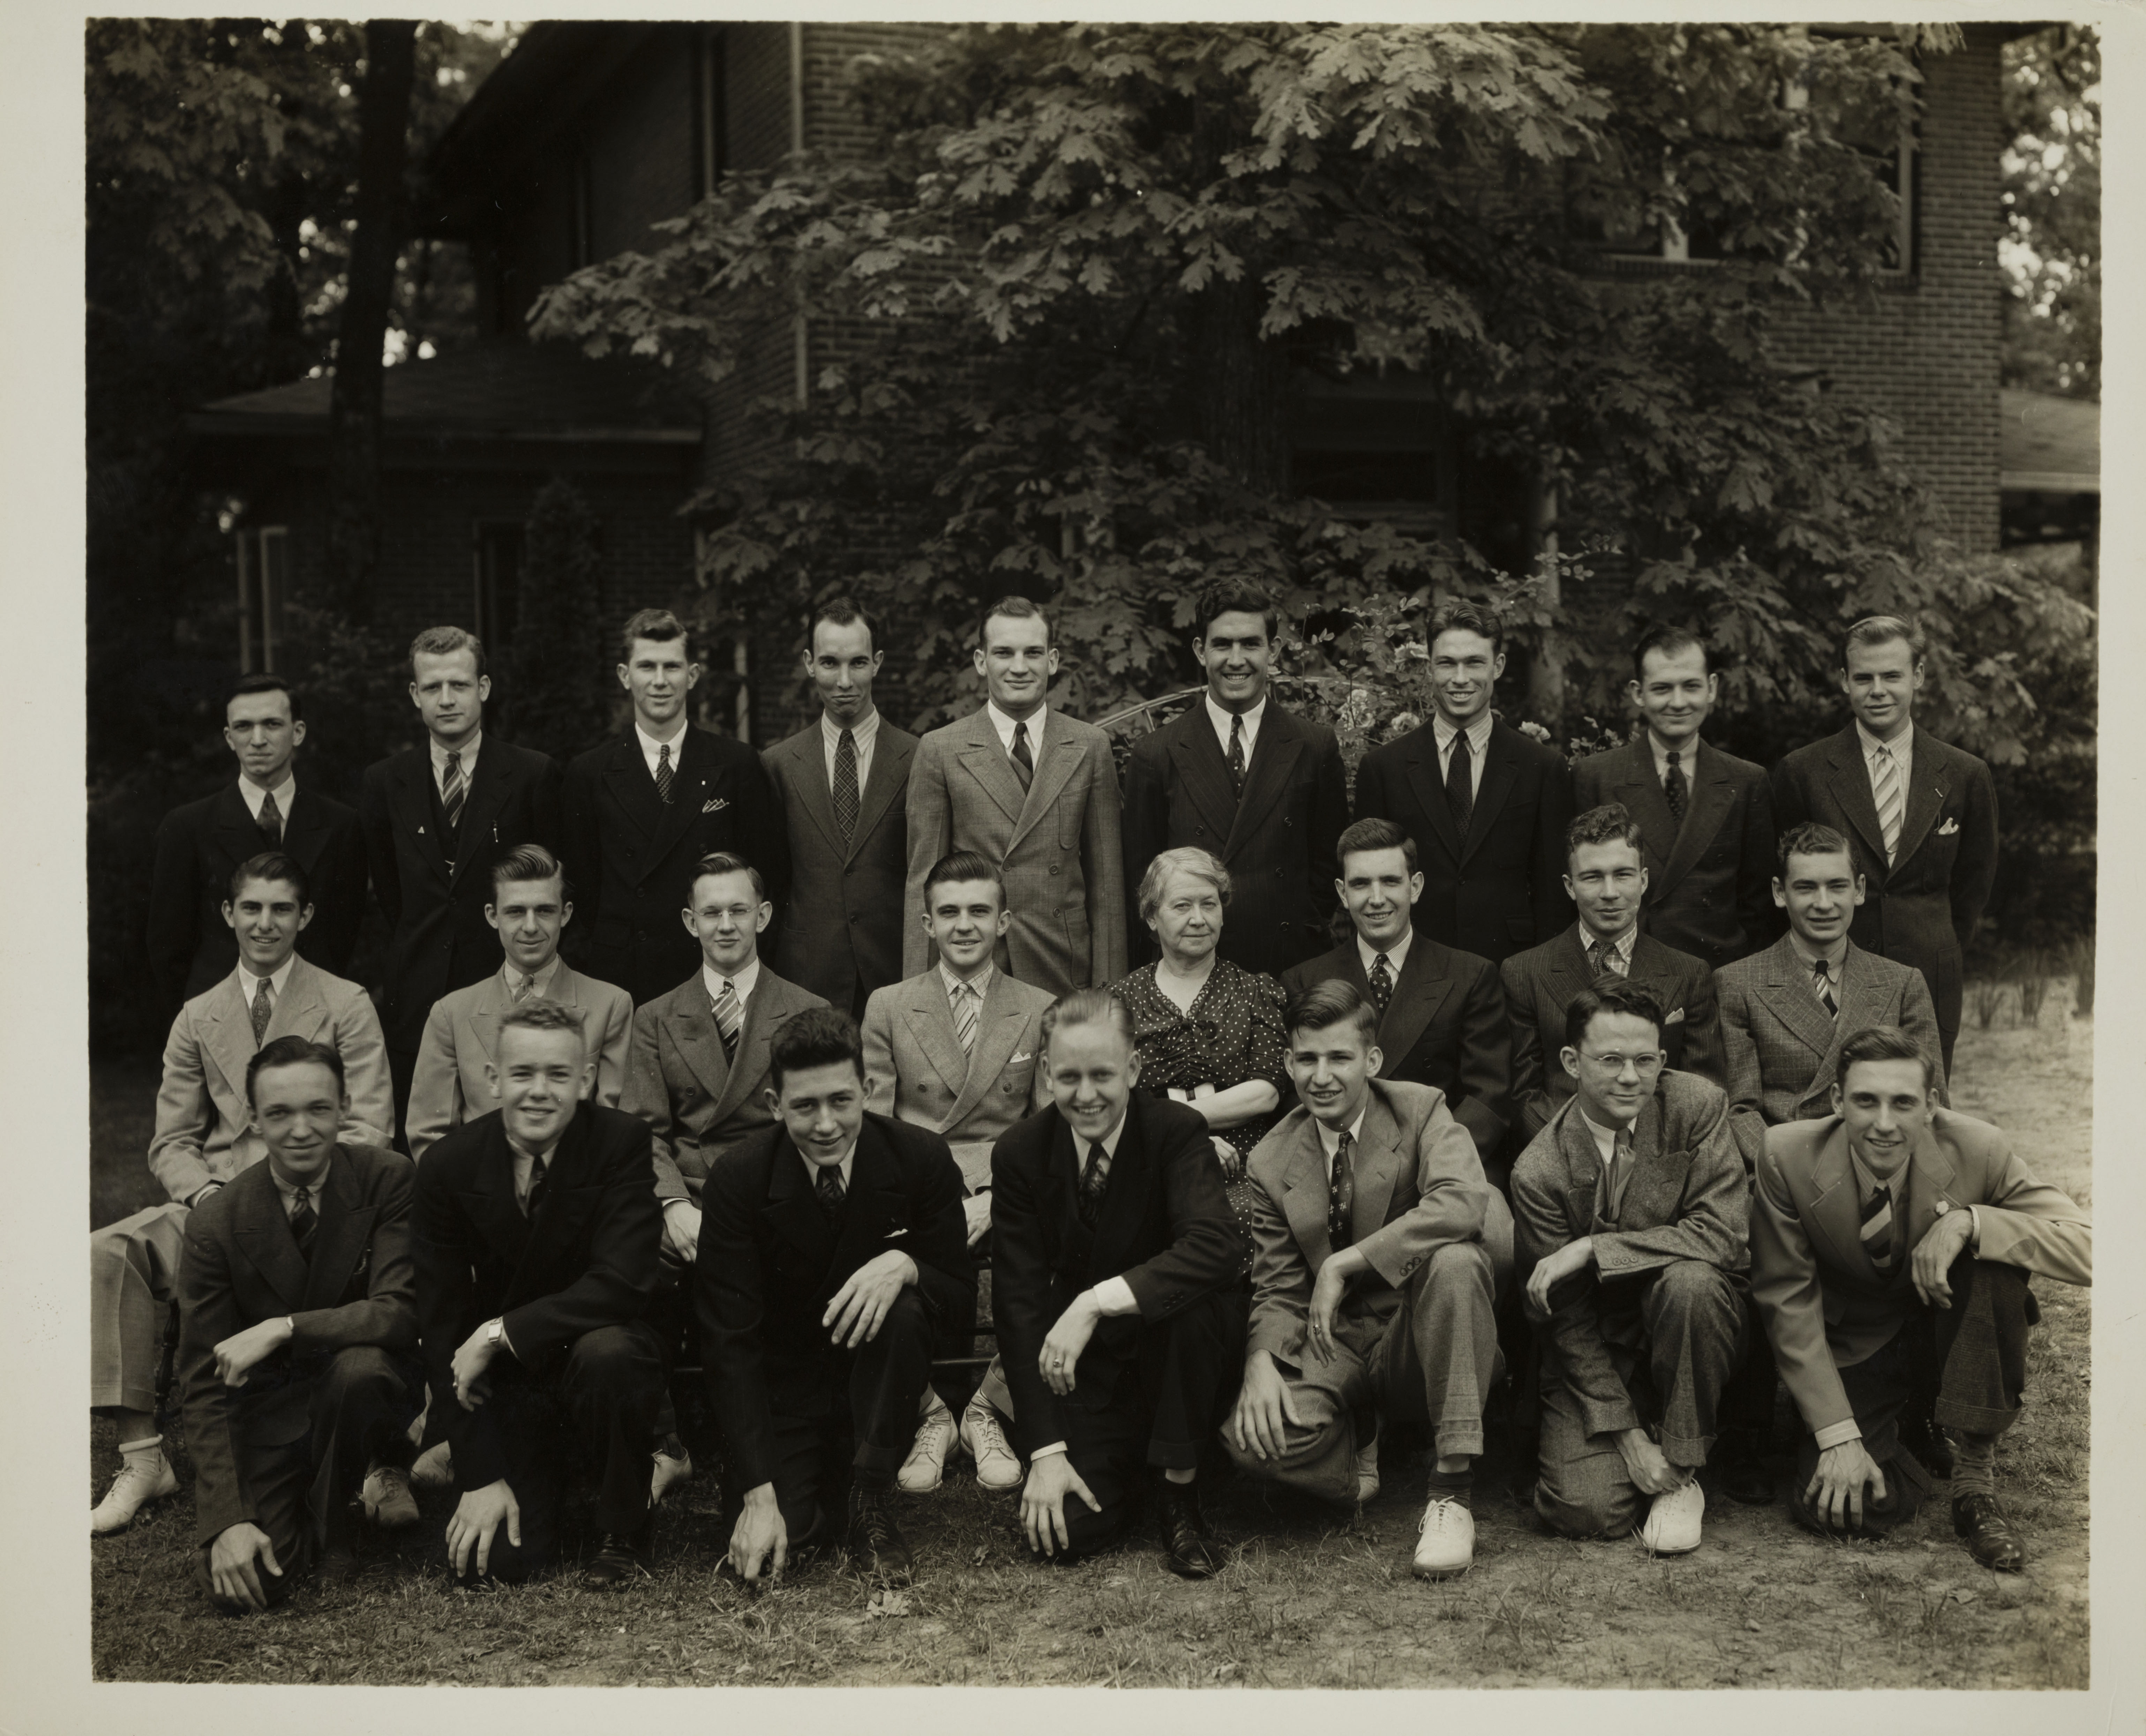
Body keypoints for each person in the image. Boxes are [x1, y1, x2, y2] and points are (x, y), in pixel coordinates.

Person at [92, 852, 393, 1534]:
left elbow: (371, 1124)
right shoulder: (199, 1016)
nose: (265, 923)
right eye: (251, 908)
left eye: (281, 908)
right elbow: (172, 1139)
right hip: (217, 1202)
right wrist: (206, 1198)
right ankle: (143, 1458)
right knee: (109, 1251)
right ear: (229, 914)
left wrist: (308, 1187)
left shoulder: (345, 1003)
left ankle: (377, 1454)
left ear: (305, 916)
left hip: (319, 1199)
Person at [1752, 1026, 2090, 1571]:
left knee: (1996, 1266)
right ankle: (1907, 1429)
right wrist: (1839, 1437)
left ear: (1931, 1105)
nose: (1884, 1123)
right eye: (1866, 1101)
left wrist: (1971, 1221)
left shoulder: (1979, 1148)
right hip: (1861, 1345)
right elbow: (1785, 1298)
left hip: (1950, 1331)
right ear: (1838, 1101)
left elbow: (2097, 1248)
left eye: (1903, 1103)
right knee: (1838, 1506)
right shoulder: (1787, 1155)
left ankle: (1974, 1482)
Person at [1225, 982, 1513, 1579]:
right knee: (1251, 1441)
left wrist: (1344, 1261)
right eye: (1306, 1059)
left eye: (1340, 1058)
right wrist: (1260, 1360)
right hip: (1336, 1344)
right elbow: (1278, 1285)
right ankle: (1358, 1430)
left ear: (1372, 1060)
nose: (1321, 1076)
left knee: (1458, 1261)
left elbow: (1465, 1201)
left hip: (1420, 1333)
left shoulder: (1421, 1108)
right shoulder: (1271, 1158)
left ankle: (1451, 1489)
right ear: (1287, 1063)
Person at [698, 1008, 975, 1586]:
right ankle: (815, 1489)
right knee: (785, 1540)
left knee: (902, 1306)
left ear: (867, 1091)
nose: (826, 1124)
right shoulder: (739, 1178)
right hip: (787, 1394)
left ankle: (867, 1500)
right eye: (804, 1106)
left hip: (875, 1393)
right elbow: (730, 1342)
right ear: (775, 1104)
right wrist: (757, 1496)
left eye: (841, 1101)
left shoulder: (919, 1158)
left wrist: (907, 1265)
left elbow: (957, 1296)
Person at [411, 1000, 670, 1588]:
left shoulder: (621, 1141)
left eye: (558, 1075)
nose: (539, 1091)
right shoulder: (447, 1166)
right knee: (497, 1565)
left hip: (598, 1355)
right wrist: (479, 1475)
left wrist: (501, 1331)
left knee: (611, 1353)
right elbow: (444, 1329)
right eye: (522, 1074)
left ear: (585, 1080)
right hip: (511, 1386)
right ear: (493, 1079)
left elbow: (625, 1281)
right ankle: (526, 1478)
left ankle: (624, 1526)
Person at [990, 989, 1247, 1577]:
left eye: (1103, 1075)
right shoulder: (1021, 1154)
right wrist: (1047, 1453)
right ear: (1048, 1074)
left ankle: (1179, 1493)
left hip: (1178, 1358)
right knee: (1064, 1535)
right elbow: (1019, 1304)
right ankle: (1139, 1471)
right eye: (1069, 1077)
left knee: (1192, 1308)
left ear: (1133, 1069)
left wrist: (1093, 1303)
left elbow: (1217, 1246)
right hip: (1094, 1377)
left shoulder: (1176, 1131)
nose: (1086, 1096)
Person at [175, 1037, 422, 1610]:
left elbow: (400, 1312)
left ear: (345, 1106)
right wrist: (227, 1519)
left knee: (359, 1369)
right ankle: (302, 1506)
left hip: (368, 1393)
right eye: (280, 1113)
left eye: (318, 1108)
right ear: (253, 1120)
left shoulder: (387, 1179)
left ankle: (342, 1521)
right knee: (246, 1585)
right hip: (273, 1415)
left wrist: (284, 1326)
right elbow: (203, 1381)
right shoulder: (217, 1221)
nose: (302, 1130)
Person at [1509, 979, 1749, 1554]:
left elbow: (1722, 1236)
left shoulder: (1696, 1105)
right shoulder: (1538, 1170)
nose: (1628, 1077)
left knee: (1691, 1282)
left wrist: (1595, 1249)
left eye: (1644, 1060)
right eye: (1609, 1060)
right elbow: (1564, 1323)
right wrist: (1628, 1440)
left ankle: (1685, 1468)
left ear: (1663, 1060)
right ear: (1571, 1062)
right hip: (1599, 1348)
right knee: (1584, 1508)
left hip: (1690, 1326)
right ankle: (1646, 1446)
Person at [860, 852, 1052, 1494]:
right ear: (926, 923)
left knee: (1059, 1240)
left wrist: (999, 1195)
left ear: (1004, 921)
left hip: (1009, 1183)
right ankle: (930, 1414)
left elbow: (1047, 1130)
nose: (963, 925)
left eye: (978, 911)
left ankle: (988, 1406)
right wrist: (941, 1202)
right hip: (918, 1183)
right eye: (949, 912)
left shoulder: (1038, 1007)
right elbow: (875, 1128)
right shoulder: (889, 1006)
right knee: (886, 1252)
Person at [1770, 615, 1999, 1078]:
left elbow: (1974, 884)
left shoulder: (1964, 774)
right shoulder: (1804, 772)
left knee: (1922, 1109)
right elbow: (1782, 884)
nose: (1879, 690)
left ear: (1917, 676)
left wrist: (1938, 943)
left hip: (1930, 973)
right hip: (1830, 975)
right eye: (1864, 678)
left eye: (1892, 676)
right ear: (1844, 682)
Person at [360, 626, 563, 1140]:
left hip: (505, 988)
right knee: (424, 1143)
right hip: (418, 994)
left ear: (485, 688)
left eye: (459, 684)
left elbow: (553, 885)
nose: (446, 699)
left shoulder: (531, 774)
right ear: (415, 695)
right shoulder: (385, 782)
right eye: (433, 688)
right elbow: (391, 891)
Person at [561, 609, 788, 1008]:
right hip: (623, 977)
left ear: (694, 675)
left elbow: (769, 873)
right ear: (624, 675)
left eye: (672, 666)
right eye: (647, 666)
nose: (661, 680)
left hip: (713, 968)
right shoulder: (589, 772)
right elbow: (581, 888)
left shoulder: (736, 764)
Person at [904, 595, 1126, 998]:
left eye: (1033, 653)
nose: (1019, 667)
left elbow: (1106, 884)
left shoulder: (1090, 746)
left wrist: (1108, 990)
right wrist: (919, 998)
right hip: (978, 964)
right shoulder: (940, 749)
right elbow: (923, 881)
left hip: (1063, 964)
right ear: (980, 661)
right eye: (1004, 653)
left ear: (1053, 660)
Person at [1120, 587, 1349, 977]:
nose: (1236, 660)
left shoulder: (1314, 745)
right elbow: (1142, 885)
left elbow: (1329, 870)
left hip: (1290, 964)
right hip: (1194, 968)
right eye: (1222, 644)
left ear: (1273, 651)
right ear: (1199, 650)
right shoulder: (1156, 753)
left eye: (1250, 644)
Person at [621, 852, 828, 1272]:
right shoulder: (655, 1017)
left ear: (763, 915)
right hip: (692, 1195)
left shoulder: (810, 1010)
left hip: (779, 1192)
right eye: (711, 913)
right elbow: (643, 1133)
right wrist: (673, 1205)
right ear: (690, 921)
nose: (727, 925)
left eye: (739, 910)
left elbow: (819, 1124)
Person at [1282, 817, 1512, 1172]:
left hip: (1437, 1167)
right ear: (1343, 894)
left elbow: (1487, 1098)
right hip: (1342, 1166)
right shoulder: (1304, 979)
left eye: (1390, 881)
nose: (1376, 899)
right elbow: (1295, 1098)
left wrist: (1426, 1163)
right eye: (1361, 884)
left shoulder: (1470, 975)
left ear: (1415, 886)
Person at [1352, 598, 1573, 966]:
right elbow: (1367, 881)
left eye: (1473, 662)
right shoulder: (1383, 768)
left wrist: (1541, 980)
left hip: (1511, 966)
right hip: (1414, 966)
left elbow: (1554, 894)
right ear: (1429, 668)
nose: (1459, 678)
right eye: (1446, 663)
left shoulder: (1542, 767)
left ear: (1497, 666)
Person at [1714, 823, 1945, 1173]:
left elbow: (1932, 1102)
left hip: (1884, 1166)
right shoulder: (1738, 983)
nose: (1823, 904)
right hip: (1785, 1174)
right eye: (1806, 888)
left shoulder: (1901, 983)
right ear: (1780, 892)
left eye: (1837, 886)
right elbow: (1739, 1110)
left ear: (1859, 890)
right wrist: (1790, 1173)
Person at [1502, 804, 1724, 1143]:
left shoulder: (1688, 973)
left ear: (1643, 880)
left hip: (1660, 1157)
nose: (1609, 892)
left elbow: (1701, 1092)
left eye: (1622, 874)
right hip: (1562, 1158)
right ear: (1569, 885)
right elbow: (1524, 1097)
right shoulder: (1524, 972)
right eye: (1592, 877)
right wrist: (1581, 1154)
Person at [148, 673, 367, 1015]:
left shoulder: (341, 824)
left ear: (298, 732)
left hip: (312, 1014)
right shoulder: (188, 826)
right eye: (244, 727)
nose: (258, 739)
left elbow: (342, 937)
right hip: (217, 1015)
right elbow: (168, 946)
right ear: (228, 737)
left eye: (272, 724)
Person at [406, 844, 634, 1161]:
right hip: (476, 1194)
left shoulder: (611, 1005)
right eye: (515, 912)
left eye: (544, 911)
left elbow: (615, 1130)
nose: (530, 927)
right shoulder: (452, 1013)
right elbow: (429, 1136)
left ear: (565, 914)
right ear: (492, 916)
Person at [1573, 626, 1776, 972]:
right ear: (1638, 693)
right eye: (1662, 688)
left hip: (1717, 974)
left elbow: (1759, 905)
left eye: (1691, 686)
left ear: (1711, 687)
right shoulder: (1596, 776)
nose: (1678, 702)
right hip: (1623, 976)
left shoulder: (1746, 781)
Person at [762, 598, 918, 1018]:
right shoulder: (777, 765)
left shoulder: (919, 758)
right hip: (807, 975)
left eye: (858, 663)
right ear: (810, 663)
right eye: (830, 663)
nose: (845, 680)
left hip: (896, 973)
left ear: (878, 662)